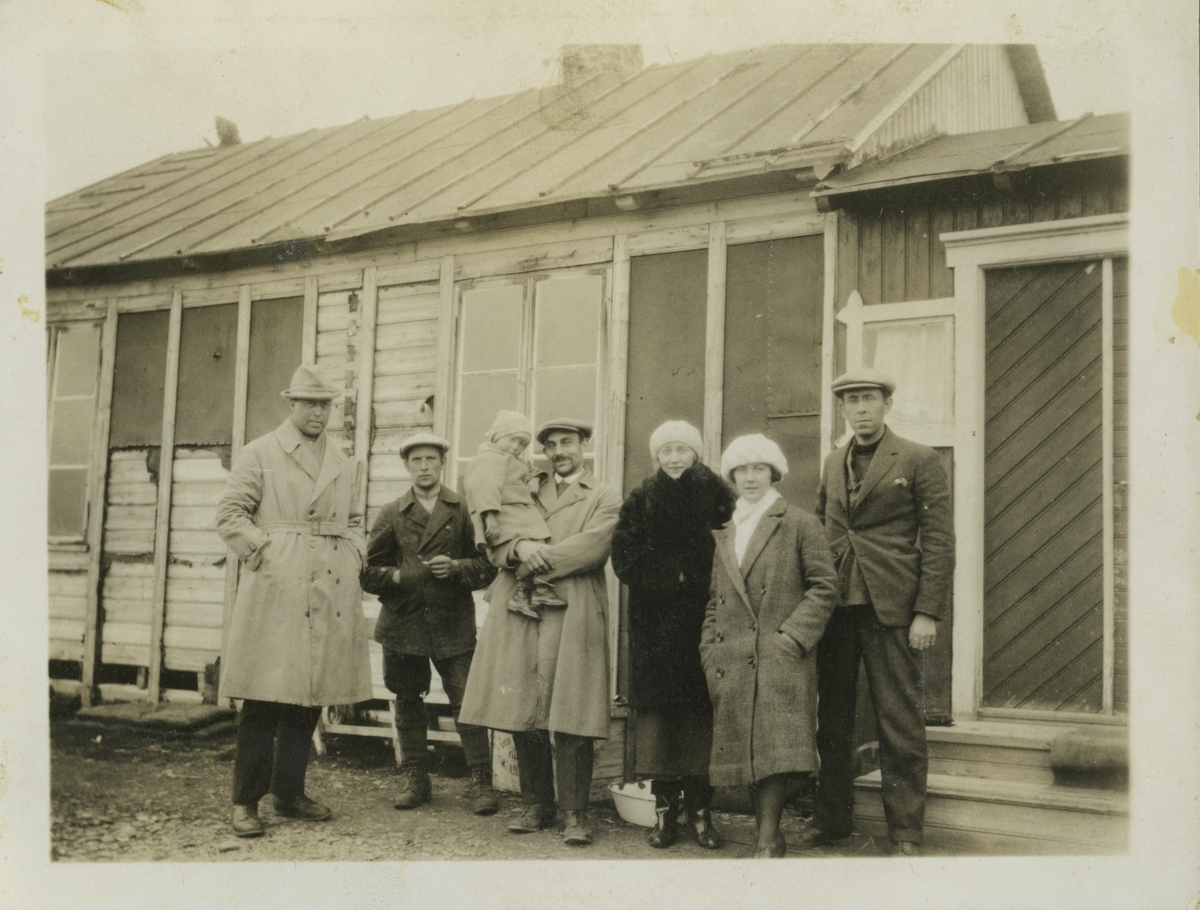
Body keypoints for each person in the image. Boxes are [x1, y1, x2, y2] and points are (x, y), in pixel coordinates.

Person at [797, 367, 955, 857]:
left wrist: (926, 611)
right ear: (843, 409)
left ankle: (905, 831)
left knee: (899, 721)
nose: (860, 408)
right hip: (837, 607)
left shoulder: (919, 459)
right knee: (834, 720)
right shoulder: (832, 462)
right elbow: (823, 532)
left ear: (887, 402)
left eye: (868, 398)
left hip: (893, 609)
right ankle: (832, 821)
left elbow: (938, 541)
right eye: (851, 401)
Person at [215, 364, 373, 839]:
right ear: (292, 405)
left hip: (328, 583)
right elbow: (229, 514)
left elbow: (356, 519)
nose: (319, 413)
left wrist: (354, 554)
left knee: (309, 697)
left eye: (326, 405)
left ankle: (288, 793)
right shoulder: (260, 452)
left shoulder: (345, 460)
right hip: (277, 586)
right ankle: (245, 802)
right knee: (265, 696)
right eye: (310, 404)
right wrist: (266, 551)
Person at [459, 418, 621, 847]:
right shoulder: (525, 488)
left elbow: (595, 546)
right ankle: (537, 804)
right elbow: (496, 539)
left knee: (573, 709)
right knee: (522, 704)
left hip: (575, 606)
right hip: (519, 607)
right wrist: (515, 548)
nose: (558, 451)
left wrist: (533, 553)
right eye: (549, 445)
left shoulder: (604, 495)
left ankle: (574, 813)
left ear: (585, 444)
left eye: (567, 442)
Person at [701, 433, 840, 858]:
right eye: (741, 470)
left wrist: (791, 638)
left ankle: (767, 837)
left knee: (775, 748)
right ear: (731, 477)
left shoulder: (796, 521)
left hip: (779, 655)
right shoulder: (725, 529)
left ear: (774, 473)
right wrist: (709, 649)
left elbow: (824, 586)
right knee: (747, 745)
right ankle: (768, 835)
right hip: (732, 657)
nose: (750, 477)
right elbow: (714, 598)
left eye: (759, 468)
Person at [359, 432, 499, 815]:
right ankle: (415, 778)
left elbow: (488, 566)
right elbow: (368, 574)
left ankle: (481, 782)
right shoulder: (391, 513)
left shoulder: (463, 510)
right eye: (416, 460)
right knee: (407, 700)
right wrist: (399, 577)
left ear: (442, 465)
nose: (424, 467)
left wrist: (456, 568)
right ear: (407, 466)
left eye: (431, 460)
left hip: (452, 622)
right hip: (404, 624)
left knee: (466, 701)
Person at [611, 420, 734, 850]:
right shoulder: (642, 497)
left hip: (706, 620)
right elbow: (622, 557)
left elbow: (735, 549)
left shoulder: (719, 494)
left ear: (696, 454)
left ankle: (702, 814)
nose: (675, 458)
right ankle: (664, 815)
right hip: (656, 628)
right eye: (667, 451)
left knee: (701, 718)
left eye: (683, 449)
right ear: (657, 456)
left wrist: (698, 577)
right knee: (661, 722)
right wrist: (668, 575)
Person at [462, 410, 564, 620]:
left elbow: (531, 470)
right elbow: (484, 486)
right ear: (497, 435)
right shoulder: (488, 458)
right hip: (503, 512)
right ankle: (528, 589)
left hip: (520, 510)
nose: (516, 447)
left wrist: (535, 479)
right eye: (512, 439)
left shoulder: (514, 459)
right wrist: (489, 514)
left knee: (538, 542)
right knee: (525, 546)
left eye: (522, 444)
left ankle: (530, 590)